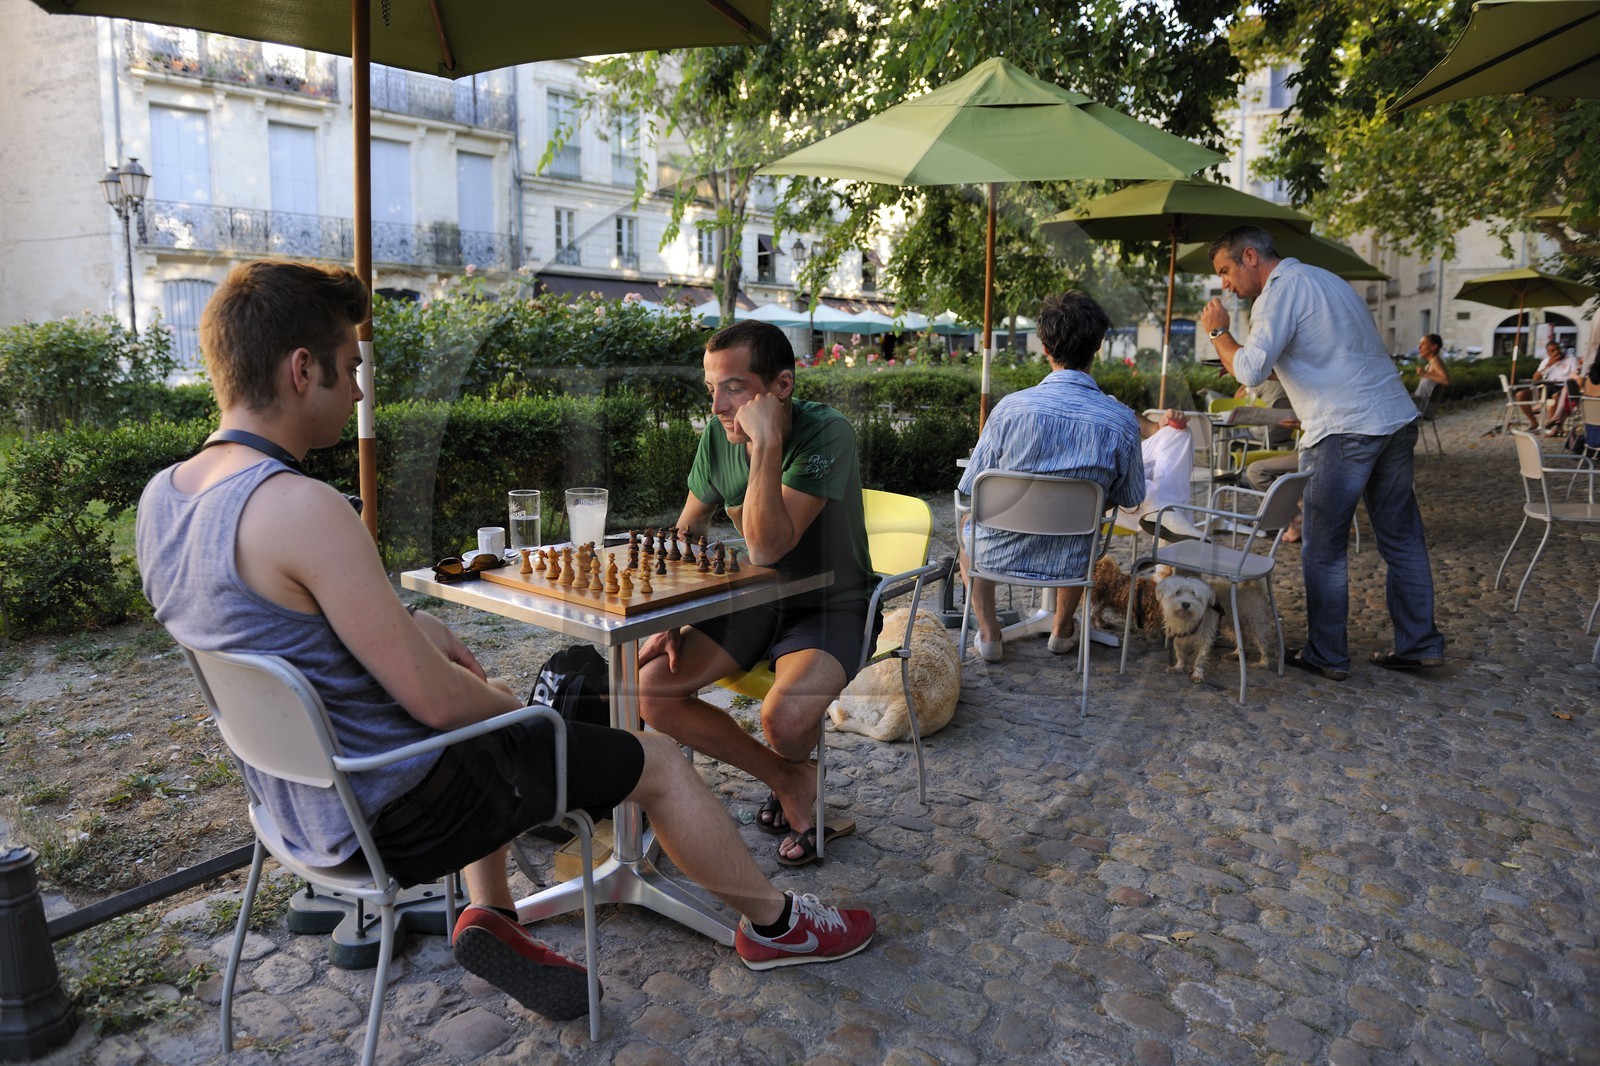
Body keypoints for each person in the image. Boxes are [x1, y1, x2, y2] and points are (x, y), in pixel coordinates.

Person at [135, 262, 876, 1023]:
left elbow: (290, 641)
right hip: (400, 808)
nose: (357, 391)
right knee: (646, 754)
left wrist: (421, 634)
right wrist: (531, 719)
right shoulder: (304, 507)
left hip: (295, 809)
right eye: (350, 369)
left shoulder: (163, 498)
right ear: (301, 370)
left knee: (474, 684)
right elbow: (436, 704)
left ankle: (491, 911)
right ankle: (777, 927)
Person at [637, 320, 876, 868]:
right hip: (754, 600)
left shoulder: (828, 432)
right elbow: (688, 532)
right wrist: (671, 613)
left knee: (784, 721)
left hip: (833, 603)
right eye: (711, 388)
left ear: (781, 386)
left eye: (734, 388)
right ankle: (789, 780)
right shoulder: (715, 437)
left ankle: (789, 771)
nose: (718, 406)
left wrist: (765, 443)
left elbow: (767, 547)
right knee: (651, 691)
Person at [1200, 225, 1445, 680]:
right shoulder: (1327, 280)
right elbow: (1322, 356)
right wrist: (1253, 360)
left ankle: (1327, 653)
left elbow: (1249, 371)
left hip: (1342, 428)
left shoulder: (1276, 293)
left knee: (1324, 548)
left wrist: (1218, 331)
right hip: (1392, 418)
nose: (1225, 285)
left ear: (1250, 256)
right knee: (1402, 538)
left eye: (1225, 271)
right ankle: (1420, 644)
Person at [956, 290, 1144, 662]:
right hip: (1072, 557)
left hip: (997, 551)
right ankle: (1062, 628)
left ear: (1045, 347)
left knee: (966, 527)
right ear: (1098, 346)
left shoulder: (1010, 409)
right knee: (1087, 523)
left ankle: (989, 633)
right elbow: (1131, 496)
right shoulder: (1121, 420)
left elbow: (972, 486)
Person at [1514, 341, 1579, 432]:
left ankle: (1551, 424)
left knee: (1557, 396)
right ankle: (1534, 423)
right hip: (1546, 387)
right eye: (1553, 351)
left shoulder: (1571, 359)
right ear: (1548, 353)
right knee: (1520, 395)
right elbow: (1535, 378)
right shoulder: (1546, 361)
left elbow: (1576, 377)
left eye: (1557, 349)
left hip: (1563, 387)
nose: (1556, 352)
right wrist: (1549, 365)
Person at [1412, 333, 1451, 410]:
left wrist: (1424, 374)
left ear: (1434, 347)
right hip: (1419, 405)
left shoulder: (1435, 361)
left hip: (1420, 407)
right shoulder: (1432, 362)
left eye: (1423, 344)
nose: (1419, 347)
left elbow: (1446, 381)